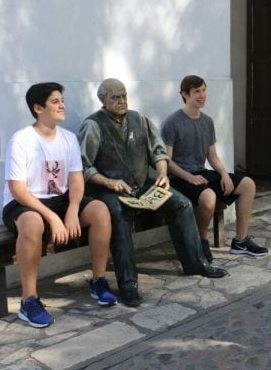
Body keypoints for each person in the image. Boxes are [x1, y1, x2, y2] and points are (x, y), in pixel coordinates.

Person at [78, 78, 226, 308]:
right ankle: (128, 284)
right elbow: (84, 166)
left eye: (124, 95)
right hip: (108, 188)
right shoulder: (93, 126)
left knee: (182, 204)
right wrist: (108, 181)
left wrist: (163, 173)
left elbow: (158, 151)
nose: (122, 101)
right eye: (115, 97)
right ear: (103, 99)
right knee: (118, 215)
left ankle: (196, 263)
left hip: (141, 184)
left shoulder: (139, 119)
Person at [3, 82, 117, 328]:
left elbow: (76, 179)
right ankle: (29, 301)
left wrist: (73, 210)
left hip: (61, 200)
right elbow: (17, 189)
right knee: (33, 224)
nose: (62, 105)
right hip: (25, 202)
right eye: (55, 101)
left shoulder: (68, 138)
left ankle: (98, 281)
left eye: (61, 100)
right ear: (38, 108)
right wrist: (53, 218)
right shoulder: (21, 140)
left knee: (99, 211)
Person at [161, 75, 268, 260]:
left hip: (202, 174)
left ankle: (241, 241)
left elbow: (212, 155)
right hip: (180, 178)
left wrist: (224, 174)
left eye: (204, 90)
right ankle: (200, 242)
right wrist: (189, 177)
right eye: (197, 92)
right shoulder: (172, 122)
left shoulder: (207, 122)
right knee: (208, 197)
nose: (202, 95)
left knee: (247, 184)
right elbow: (167, 161)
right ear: (185, 95)